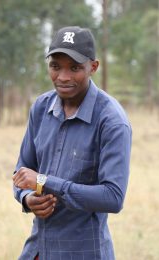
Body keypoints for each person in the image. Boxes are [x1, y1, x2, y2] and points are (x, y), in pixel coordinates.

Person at [12, 26, 132, 260]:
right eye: (56, 66)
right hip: (38, 250)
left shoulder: (112, 121)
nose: (63, 77)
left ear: (93, 67)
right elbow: (22, 173)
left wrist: (45, 181)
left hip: (83, 252)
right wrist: (27, 198)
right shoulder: (40, 108)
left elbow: (113, 197)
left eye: (75, 68)